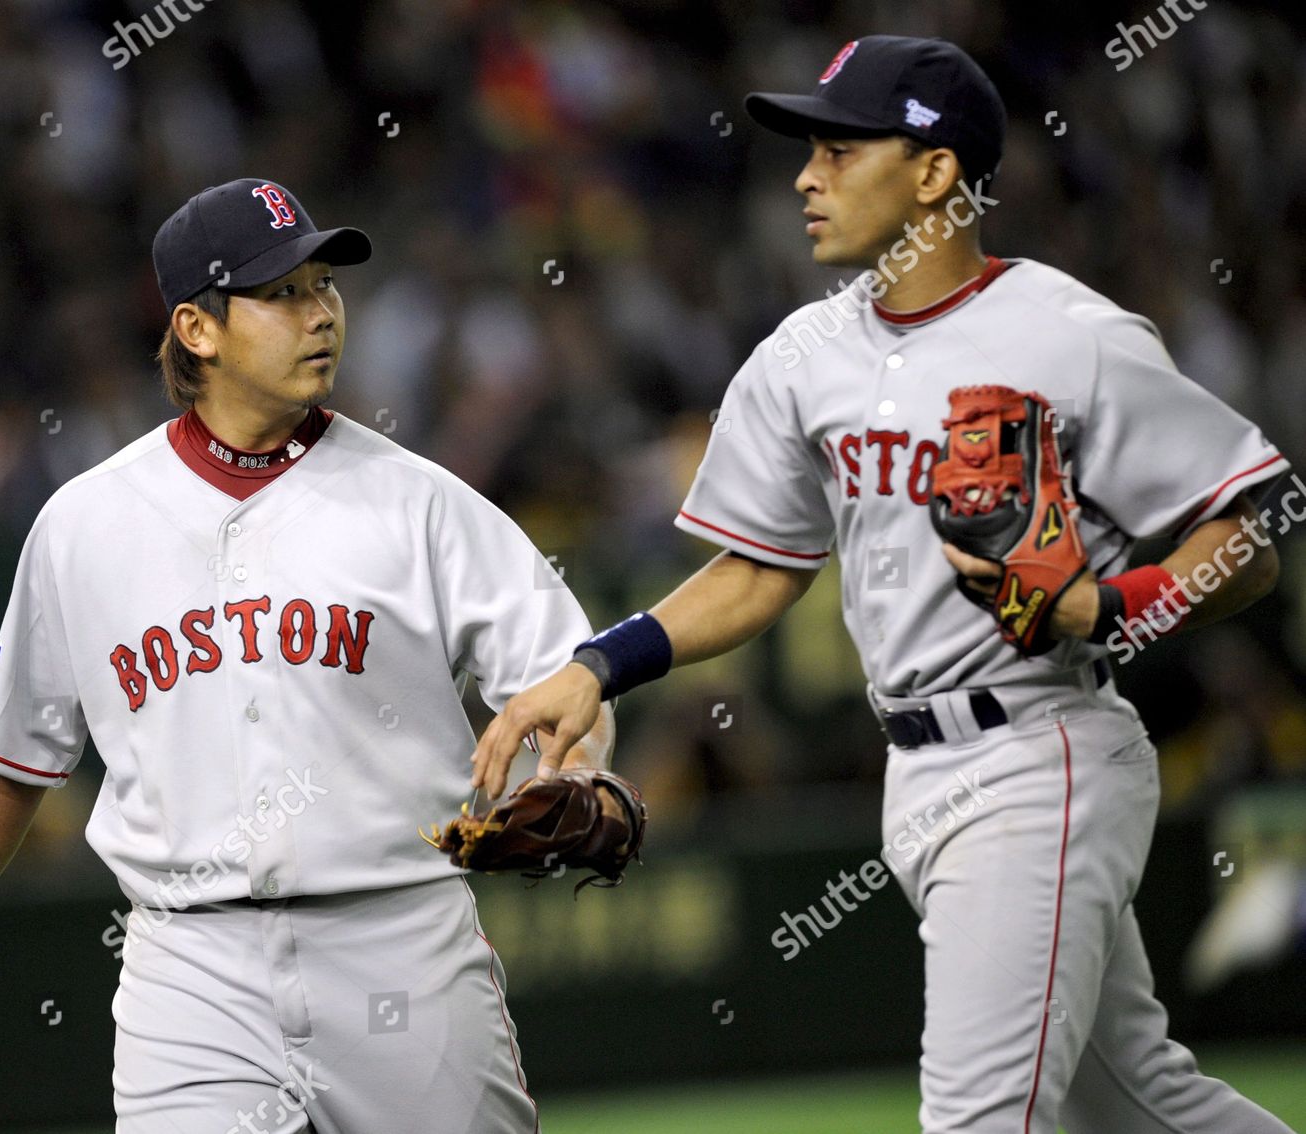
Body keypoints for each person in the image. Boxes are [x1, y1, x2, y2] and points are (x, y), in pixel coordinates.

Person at [471, 36, 1297, 1134]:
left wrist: (1110, 604)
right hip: (918, 775)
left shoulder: (1070, 337)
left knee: (975, 1121)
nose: (806, 178)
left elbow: (1248, 539)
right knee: (1143, 1106)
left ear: (935, 172)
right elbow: (761, 571)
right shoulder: (805, 355)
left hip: (1039, 752)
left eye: (838, 149)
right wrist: (599, 666)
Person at [0, 177, 621, 1134]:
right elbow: (6, 760)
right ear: (196, 329)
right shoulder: (85, 525)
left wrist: (577, 767)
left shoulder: (420, 502)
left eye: (326, 286)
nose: (320, 313)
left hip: (397, 937)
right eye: (283, 293)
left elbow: (570, 675)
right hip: (190, 976)